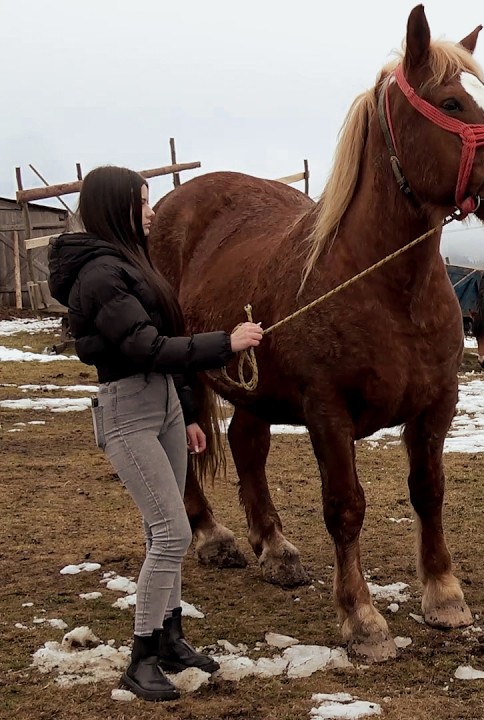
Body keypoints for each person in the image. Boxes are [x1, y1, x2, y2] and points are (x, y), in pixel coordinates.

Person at [47, 166, 263, 701]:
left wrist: (188, 412)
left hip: (163, 404)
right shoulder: (99, 275)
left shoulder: (130, 263)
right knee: (173, 533)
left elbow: (165, 339)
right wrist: (227, 344)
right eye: (142, 203)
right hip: (129, 411)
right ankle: (141, 657)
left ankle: (170, 637)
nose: (150, 212)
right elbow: (145, 346)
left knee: (159, 534)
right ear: (114, 206)